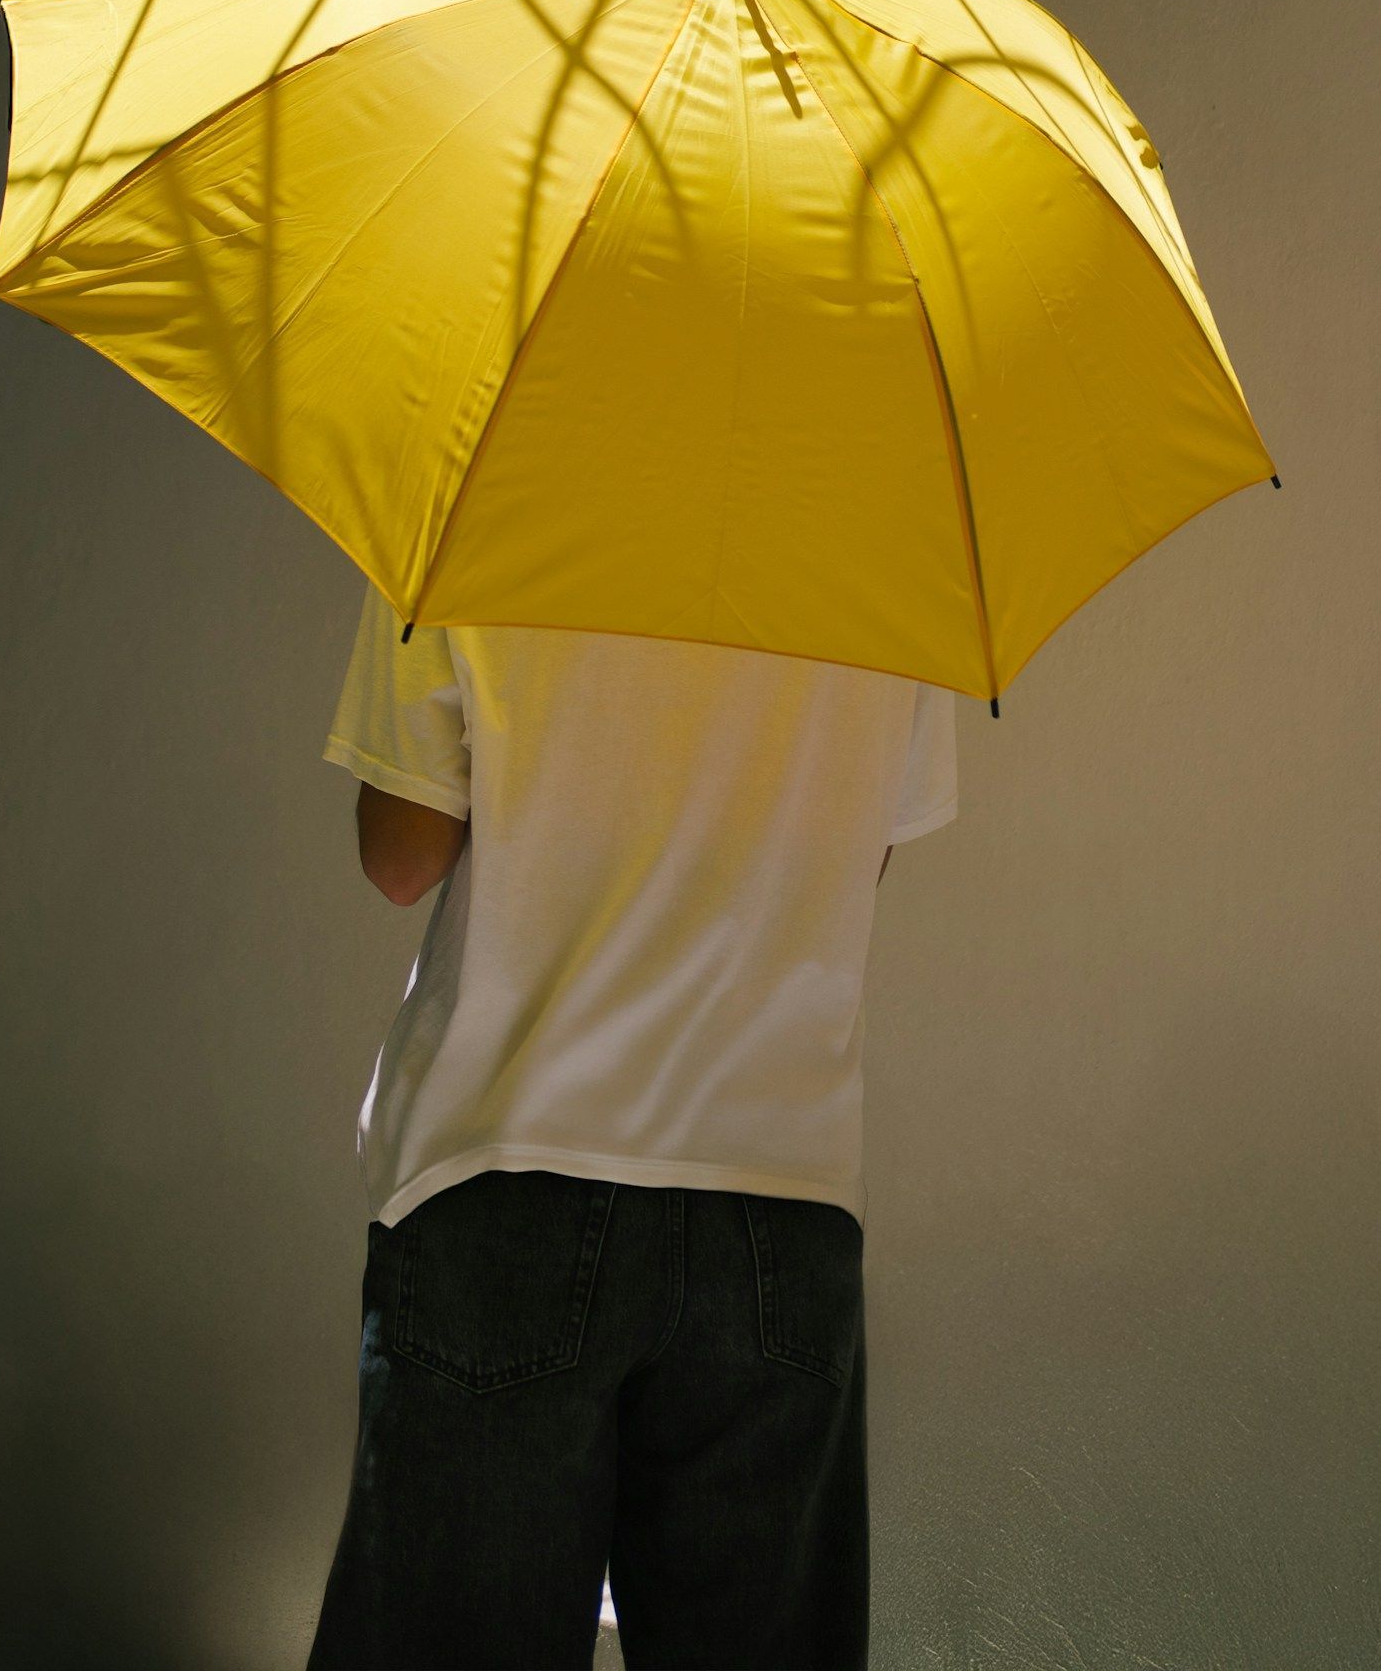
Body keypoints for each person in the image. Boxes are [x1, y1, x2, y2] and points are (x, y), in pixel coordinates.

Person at [307, 580, 959, 1671]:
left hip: (512, 1165)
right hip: (780, 1198)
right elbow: (861, 854)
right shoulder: (888, 550)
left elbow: (400, 855)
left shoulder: (479, 502)